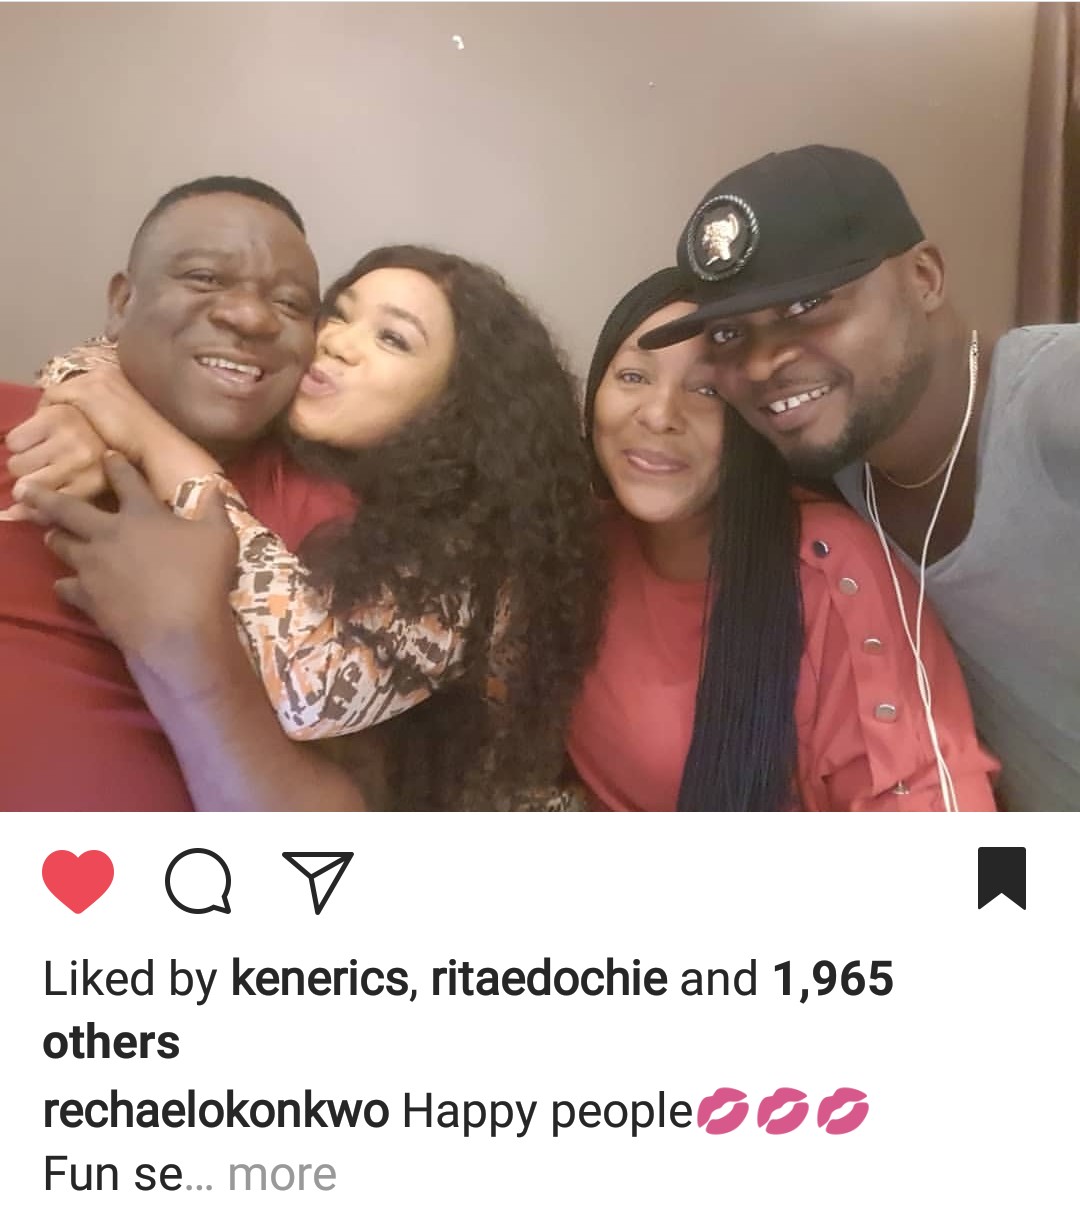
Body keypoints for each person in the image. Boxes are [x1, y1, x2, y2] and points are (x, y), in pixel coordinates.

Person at [13, 246, 603, 811]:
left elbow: (312, 689)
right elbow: (106, 357)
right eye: (339, 314)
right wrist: (76, 415)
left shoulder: (475, 542)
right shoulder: (290, 443)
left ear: (455, 404)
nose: (337, 343)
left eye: (392, 339)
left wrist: (157, 445)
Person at [639, 145, 1079, 812]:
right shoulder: (830, 468)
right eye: (728, 335)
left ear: (925, 277)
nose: (761, 365)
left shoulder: (1055, 404)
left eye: (807, 304)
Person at [566, 268, 998, 811]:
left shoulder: (830, 569)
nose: (658, 415)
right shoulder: (574, 543)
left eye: (707, 390)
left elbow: (929, 795)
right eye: (633, 376)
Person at [0, 176, 365, 812]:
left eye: (289, 303)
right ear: (122, 302)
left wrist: (189, 643)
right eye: (204, 278)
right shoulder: (19, 426)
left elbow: (333, 848)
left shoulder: (344, 524)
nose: (250, 317)